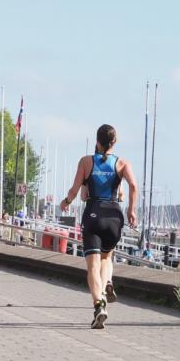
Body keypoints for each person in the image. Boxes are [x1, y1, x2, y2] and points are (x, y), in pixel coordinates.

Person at [60, 124, 138, 329]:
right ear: (115, 142)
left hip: (93, 214)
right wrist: (131, 210)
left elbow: (76, 190)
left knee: (92, 266)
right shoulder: (122, 163)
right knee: (107, 258)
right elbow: (134, 186)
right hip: (114, 216)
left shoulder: (86, 162)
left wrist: (66, 202)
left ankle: (99, 304)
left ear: (97, 141)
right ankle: (106, 288)